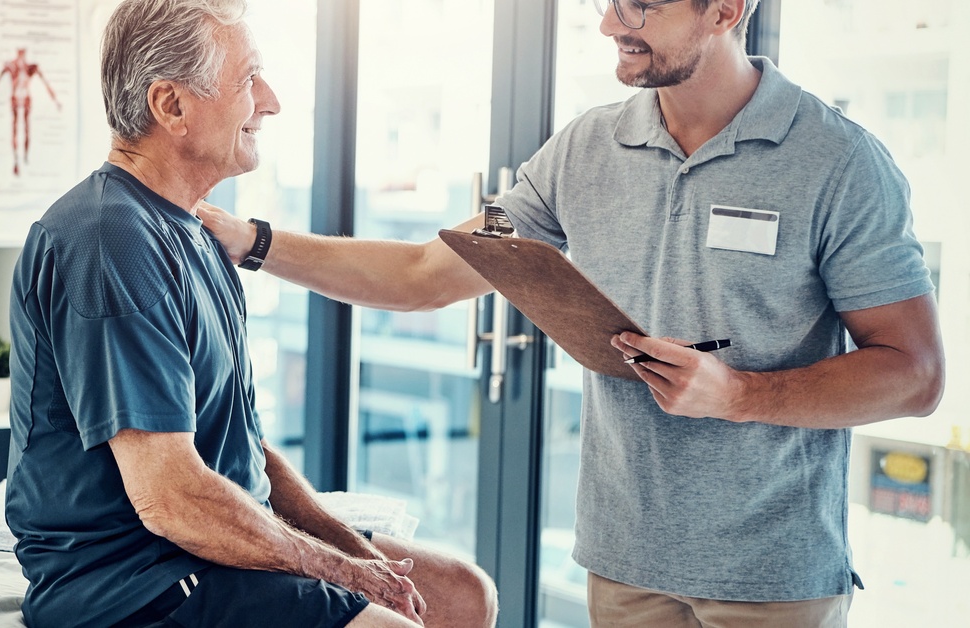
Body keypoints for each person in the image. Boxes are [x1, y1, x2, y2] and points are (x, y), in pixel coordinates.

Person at [199, 0, 946, 626]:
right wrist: (255, 240)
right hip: (622, 562)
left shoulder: (839, 162)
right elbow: (431, 271)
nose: (611, 23)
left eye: (641, 6)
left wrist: (742, 395)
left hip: (770, 576)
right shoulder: (587, 149)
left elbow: (914, 374)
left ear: (725, 10)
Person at [5, 1, 497, 627]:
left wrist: (355, 552)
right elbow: (171, 498)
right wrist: (343, 573)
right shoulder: (112, 240)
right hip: (135, 578)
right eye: (248, 80)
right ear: (171, 106)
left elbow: (239, 444)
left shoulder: (198, 231)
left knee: (462, 594)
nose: (270, 101)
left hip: (207, 546)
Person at [0, 48, 61, 176]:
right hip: (15, 98)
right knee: (15, 130)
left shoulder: (30, 67)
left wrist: (55, 100)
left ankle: (24, 158)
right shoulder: (11, 66)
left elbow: (45, 83)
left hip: (25, 99)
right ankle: (16, 160)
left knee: (26, 129)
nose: (21, 56)